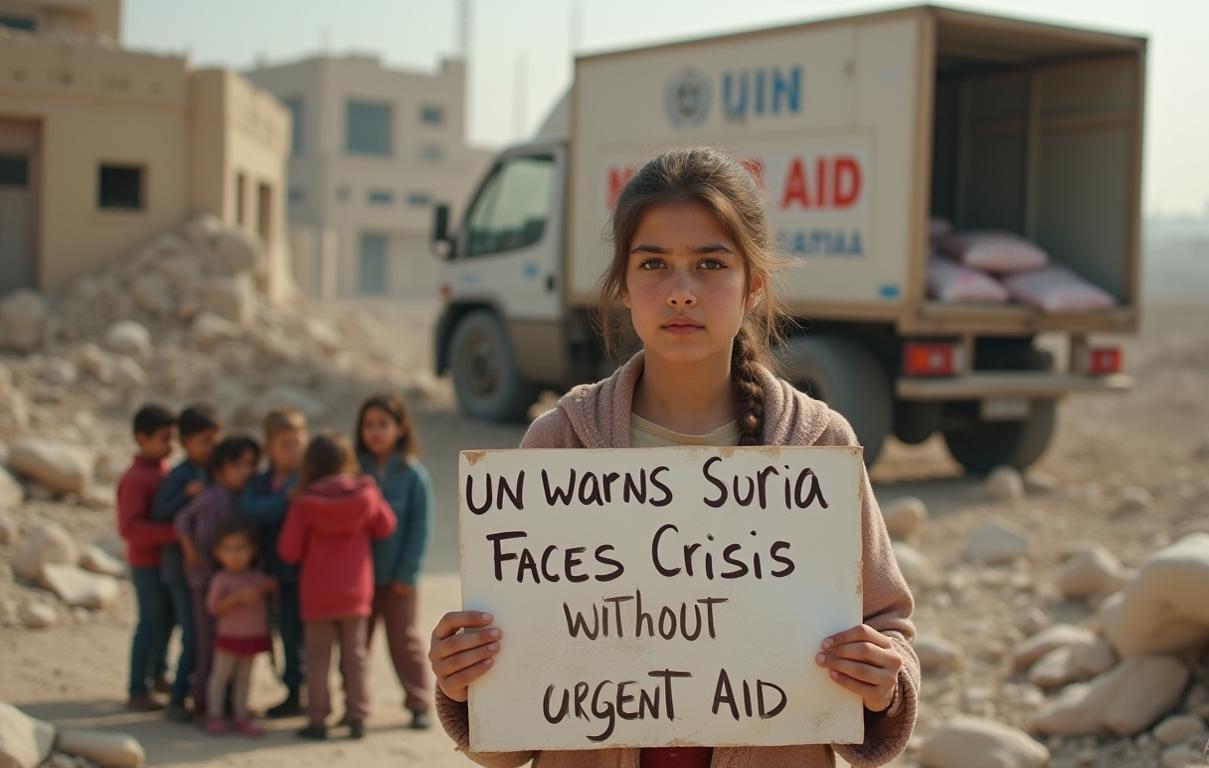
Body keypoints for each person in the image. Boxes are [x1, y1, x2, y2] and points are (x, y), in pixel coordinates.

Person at [427, 147, 920, 767]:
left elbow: (886, 626)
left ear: (753, 286)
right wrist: (467, 681)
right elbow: (518, 718)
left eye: (711, 263)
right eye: (653, 264)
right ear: (624, 287)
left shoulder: (816, 446)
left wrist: (881, 682)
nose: (681, 292)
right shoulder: (559, 445)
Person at [278, 433, 396, 741]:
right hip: (356, 591)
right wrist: (373, 493)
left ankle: (318, 719)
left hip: (317, 593)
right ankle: (357, 716)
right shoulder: (366, 494)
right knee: (355, 657)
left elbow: (288, 551)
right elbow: (386, 526)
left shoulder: (303, 502)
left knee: (317, 659)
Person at [355, 393, 434, 730]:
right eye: (368, 425)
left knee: (405, 643)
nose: (375, 432)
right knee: (356, 646)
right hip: (358, 582)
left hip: (400, 580)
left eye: (382, 424)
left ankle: (418, 703)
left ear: (400, 428)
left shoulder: (413, 475)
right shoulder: (354, 471)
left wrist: (407, 573)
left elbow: (420, 528)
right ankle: (355, 708)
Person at [175, 435, 261, 721]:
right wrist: (190, 551)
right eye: (239, 465)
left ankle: (227, 702)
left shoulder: (242, 499)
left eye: (251, 464)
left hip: (230, 580)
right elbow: (182, 521)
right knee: (206, 643)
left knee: (230, 643)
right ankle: (202, 701)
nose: (247, 471)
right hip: (205, 580)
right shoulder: (213, 496)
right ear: (222, 469)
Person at [149, 404, 222, 720]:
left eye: (214, 440)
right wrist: (186, 494)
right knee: (192, 636)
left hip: (206, 570)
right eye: (205, 441)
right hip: (180, 570)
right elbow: (160, 512)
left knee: (206, 636)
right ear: (185, 443)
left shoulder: (213, 471)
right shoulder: (180, 475)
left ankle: (200, 694)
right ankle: (178, 698)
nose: (211, 447)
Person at [240, 407, 309, 718]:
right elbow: (251, 510)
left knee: (307, 637)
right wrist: (285, 499)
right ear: (268, 448)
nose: (293, 451)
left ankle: (307, 692)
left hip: (306, 574)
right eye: (285, 445)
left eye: (298, 443)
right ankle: (292, 691)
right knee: (285, 634)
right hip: (272, 575)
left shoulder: (307, 479)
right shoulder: (261, 483)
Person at [117, 404, 180, 711]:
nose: (171, 445)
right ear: (142, 438)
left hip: (165, 563)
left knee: (167, 621)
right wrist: (175, 533)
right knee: (150, 622)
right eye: (164, 438)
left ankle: (158, 674)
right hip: (146, 564)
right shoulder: (136, 479)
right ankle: (137, 688)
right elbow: (130, 528)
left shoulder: (162, 471)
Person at [204, 516, 277, 737]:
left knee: (244, 679)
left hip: (252, 637)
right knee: (221, 677)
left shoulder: (255, 577)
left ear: (252, 550)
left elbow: (273, 585)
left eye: (240, 548)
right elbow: (213, 608)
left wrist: (267, 586)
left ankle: (241, 716)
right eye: (228, 549)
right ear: (218, 552)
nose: (234, 555)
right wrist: (236, 598)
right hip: (228, 637)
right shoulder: (221, 579)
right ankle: (215, 715)